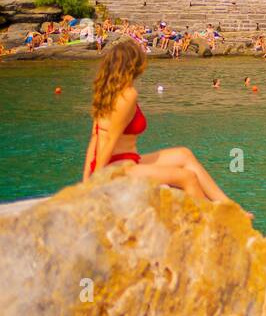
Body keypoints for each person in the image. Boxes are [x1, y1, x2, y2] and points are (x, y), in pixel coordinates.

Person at [83, 39, 238, 207]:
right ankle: (212, 224)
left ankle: (228, 205)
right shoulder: (128, 95)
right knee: (188, 177)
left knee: (184, 154)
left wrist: (86, 178)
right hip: (117, 167)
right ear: (133, 65)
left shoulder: (105, 92)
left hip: (124, 160)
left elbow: (95, 138)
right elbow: (110, 140)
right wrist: (95, 182)